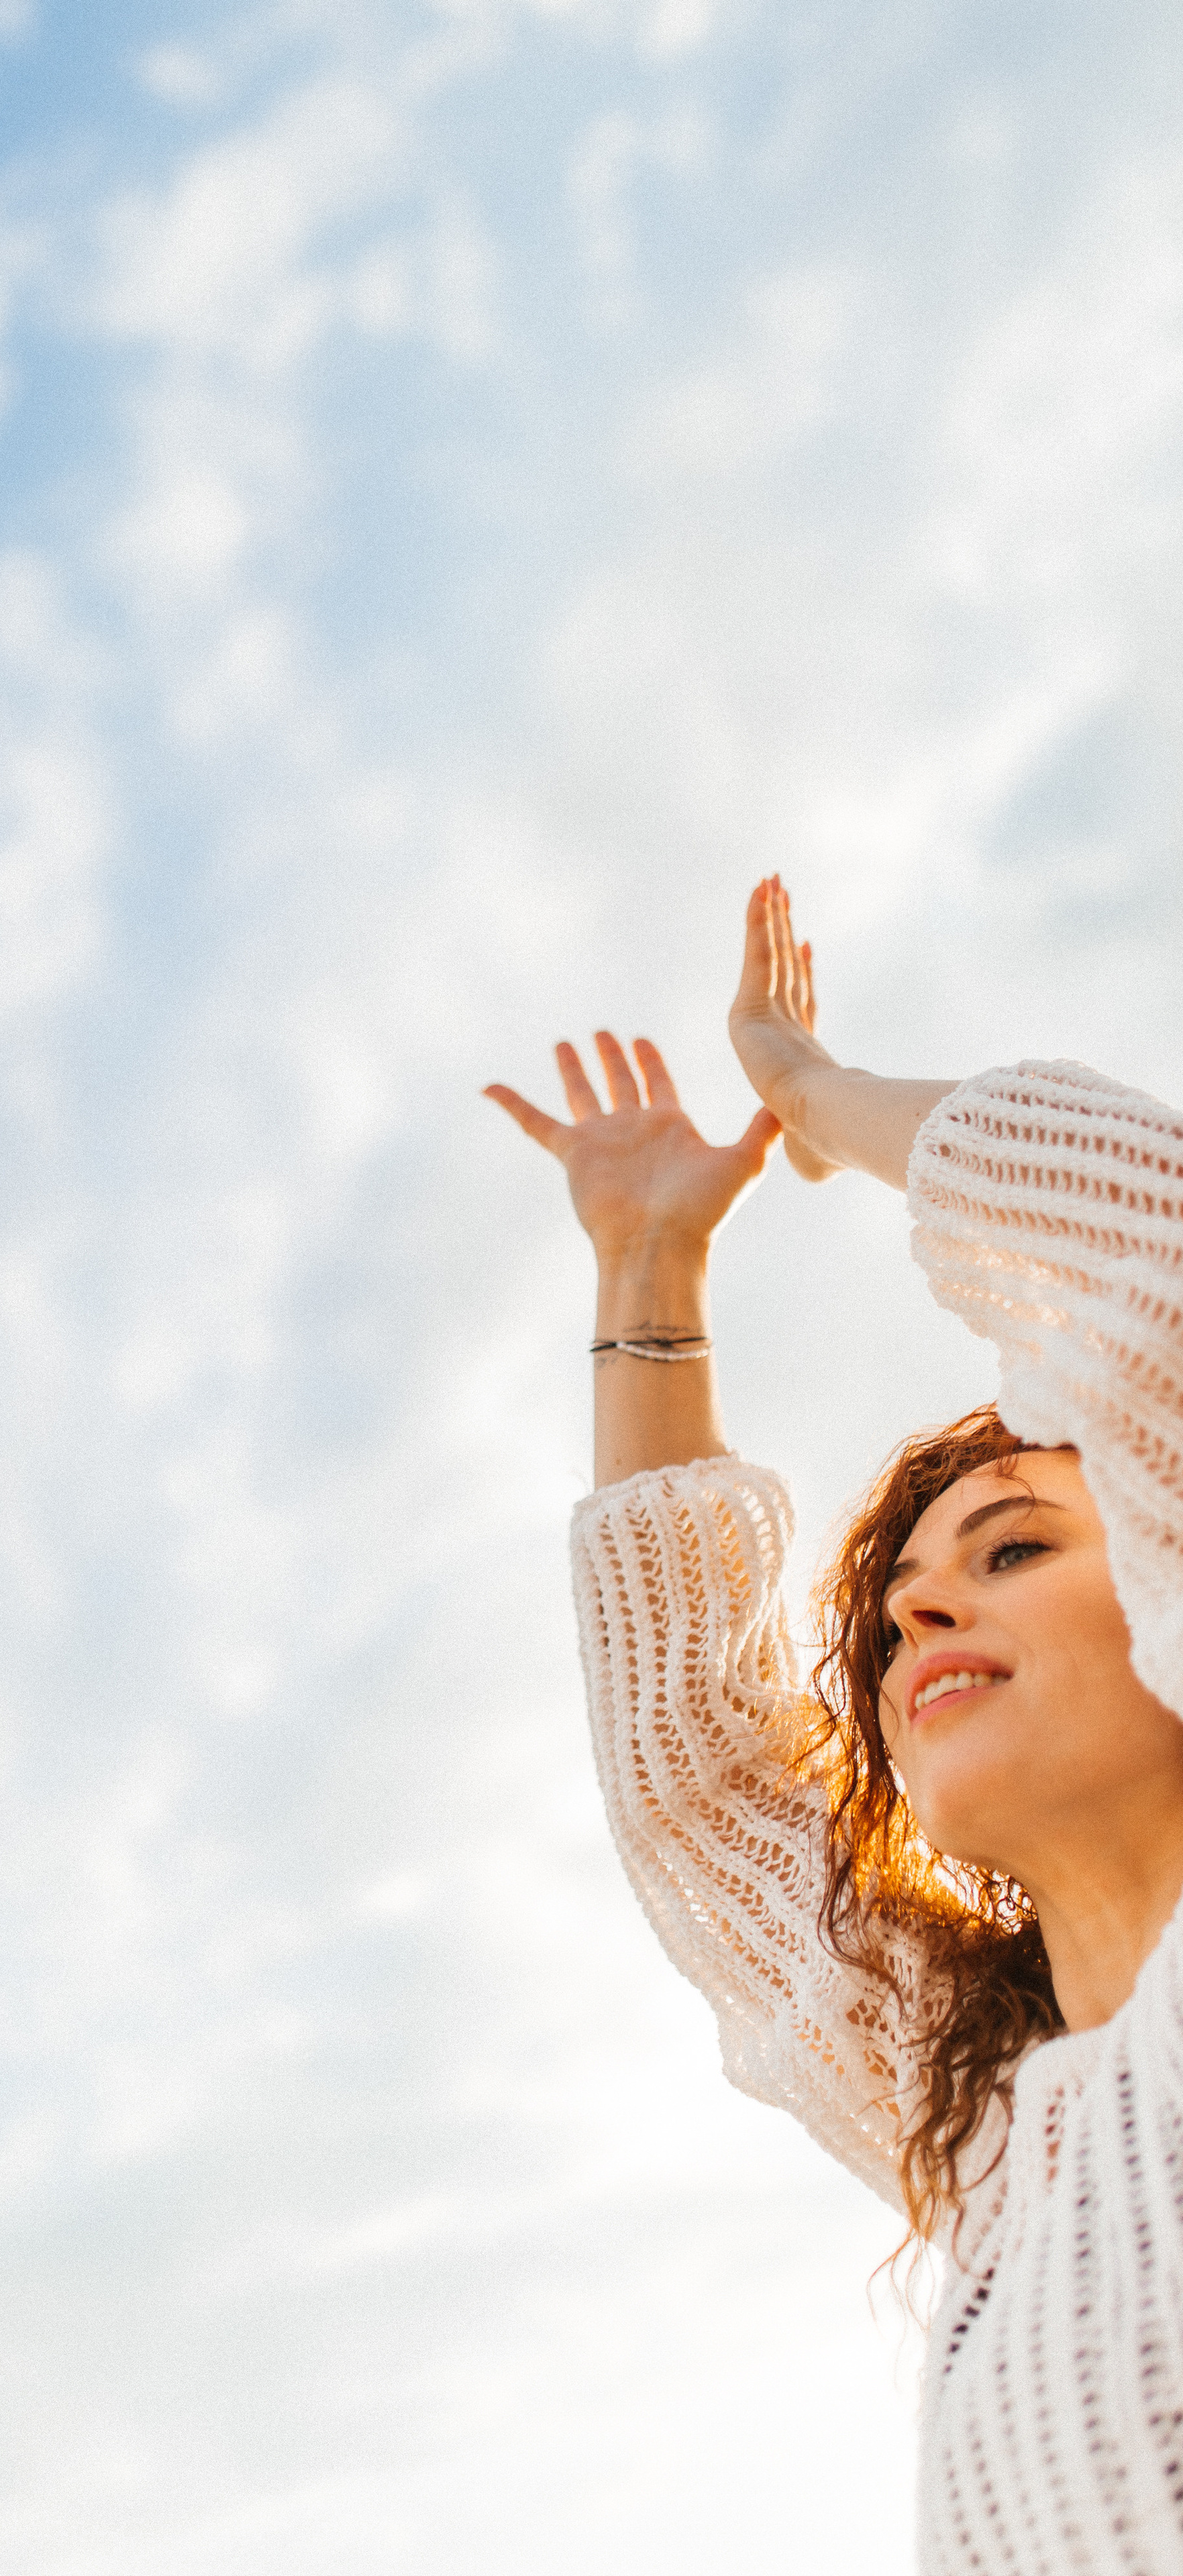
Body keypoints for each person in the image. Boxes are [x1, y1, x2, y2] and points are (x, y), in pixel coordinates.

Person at [486, 876, 1183, 2573]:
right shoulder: (993, 2126)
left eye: (1013, 1547)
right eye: (887, 1616)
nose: (917, 1616)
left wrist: (801, 1086)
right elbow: (699, 1782)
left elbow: (1145, 1252)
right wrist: (651, 1267)